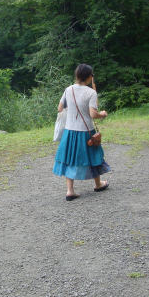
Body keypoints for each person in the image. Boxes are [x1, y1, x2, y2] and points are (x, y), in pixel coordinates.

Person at [53, 64, 110, 201]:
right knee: (93, 155)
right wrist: (102, 114)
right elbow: (93, 114)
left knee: (70, 158)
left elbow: (60, 108)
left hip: (69, 131)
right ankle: (98, 184)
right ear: (89, 77)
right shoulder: (91, 92)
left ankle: (70, 191)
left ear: (77, 75)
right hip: (86, 131)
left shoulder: (68, 89)